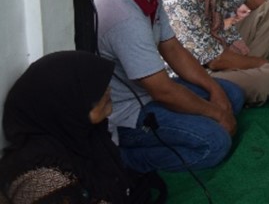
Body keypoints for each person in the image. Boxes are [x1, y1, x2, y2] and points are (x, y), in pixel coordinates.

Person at [95, 0, 245, 174]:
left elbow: (173, 49)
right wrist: (215, 114)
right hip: (130, 114)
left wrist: (213, 89)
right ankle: (125, 158)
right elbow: (162, 90)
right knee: (215, 142)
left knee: (232, 95)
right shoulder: (122, 15)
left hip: (152, 95)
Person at [0, 51, 166, 204]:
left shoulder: (83, 134)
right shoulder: (42, 177)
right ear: (63, 105)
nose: (108, 91)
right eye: (91, 90)